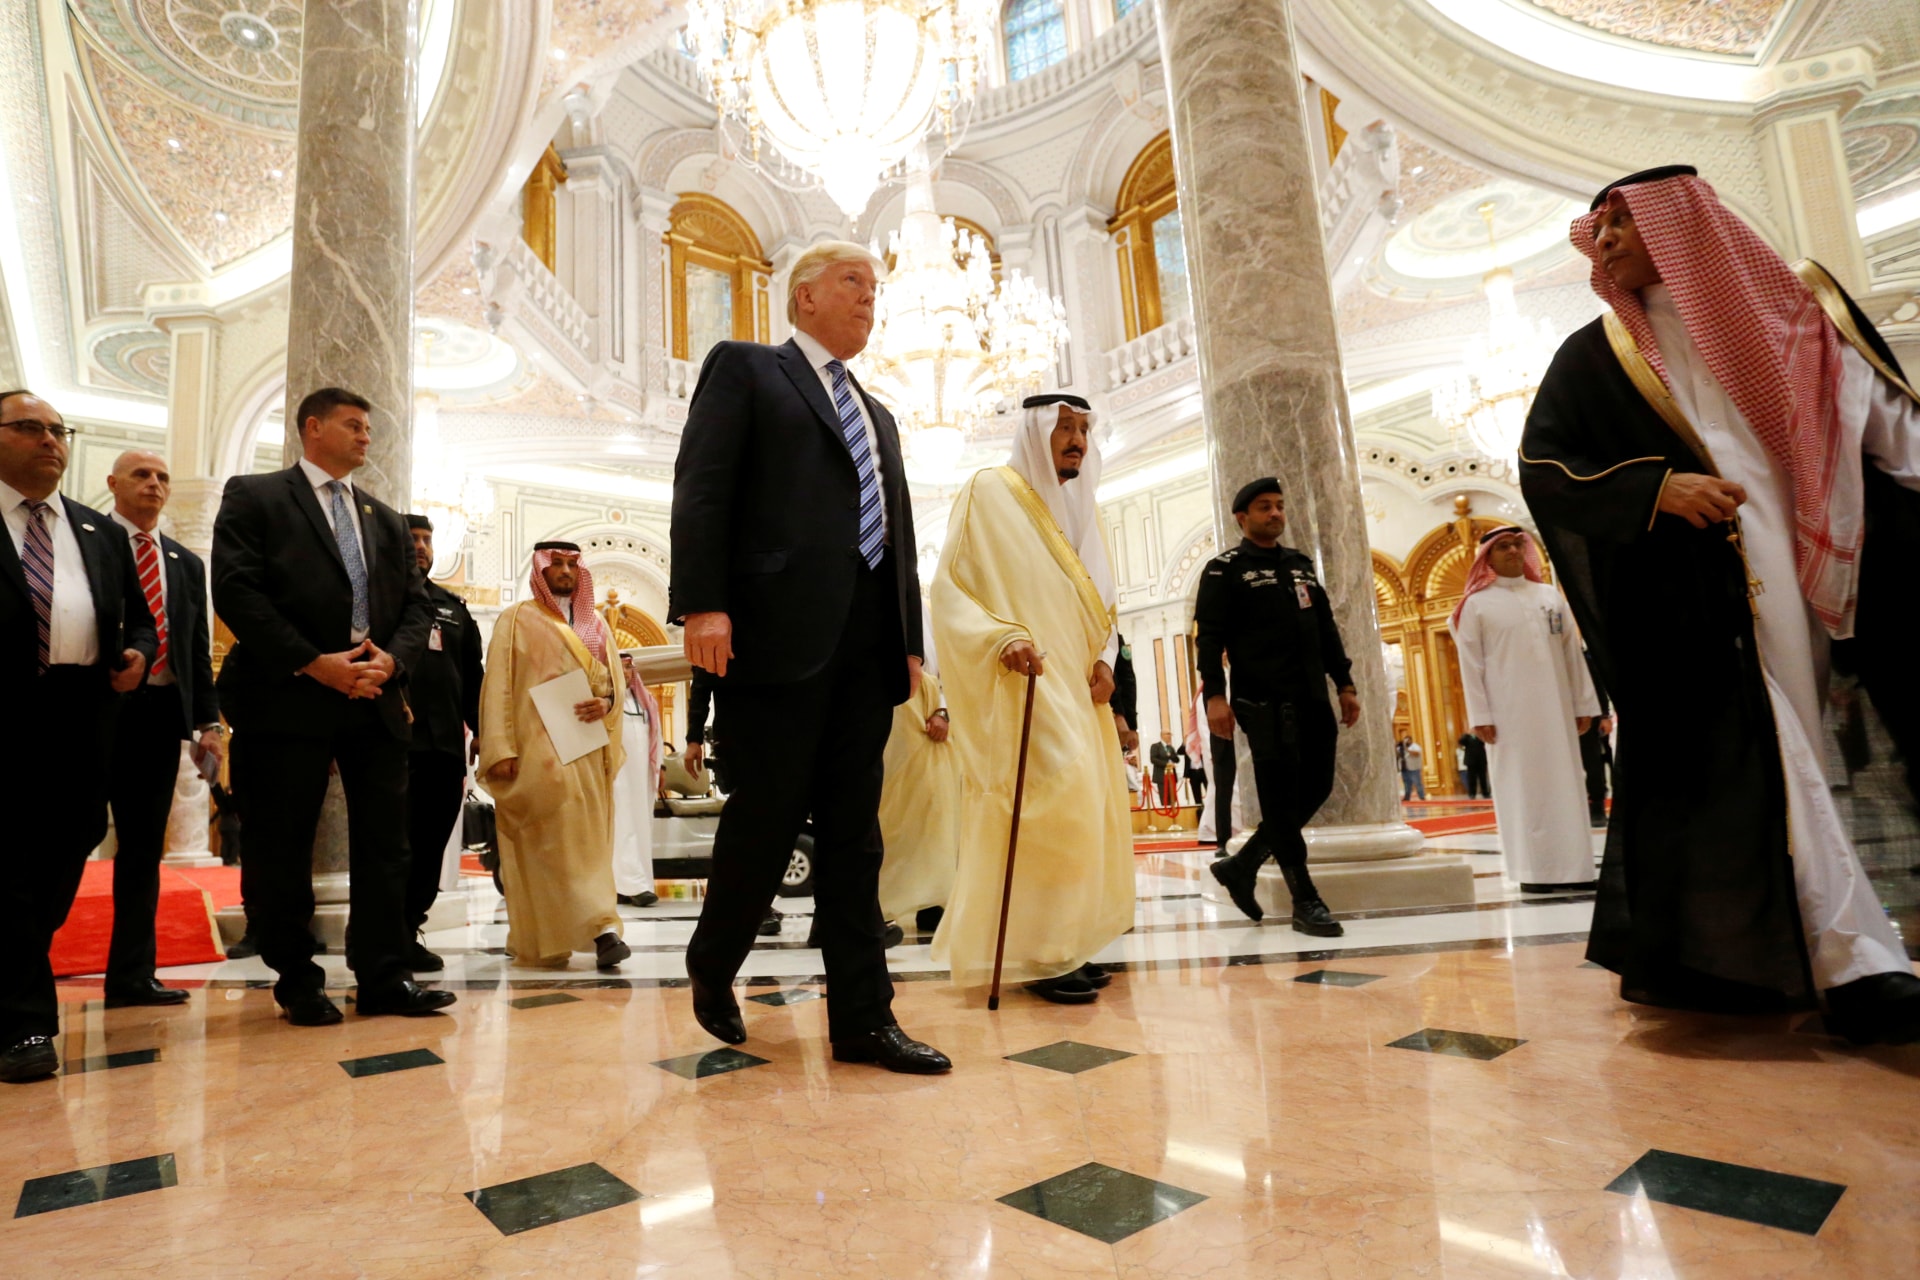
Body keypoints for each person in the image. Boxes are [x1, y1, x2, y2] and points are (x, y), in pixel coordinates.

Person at [1519, 164, 1920, 1044]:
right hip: (1701, 605)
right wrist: (1654, 490)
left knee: (1817, 757)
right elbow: (1545, 468)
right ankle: (1857, 964)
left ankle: (1772, 954)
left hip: (1830, 578)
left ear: (1686, 227)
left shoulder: (1794, 322)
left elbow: (1887, 431)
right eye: (1600, 226)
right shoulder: (1594, 357)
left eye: (1623, 220)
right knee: (1780, 756)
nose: (1606, 238)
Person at [671, 239, 948, 1073]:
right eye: (853, 282)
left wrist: (908, 644)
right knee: (763, 821)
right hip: (772, 637)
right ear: (803, 299)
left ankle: (864, 1019)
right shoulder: (749, 369)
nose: (871, 297)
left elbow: (896, 539)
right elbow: (704, 485)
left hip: (866, 652)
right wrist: (702, 603)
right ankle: (713, 960)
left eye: (876, 286)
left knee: (857, 840)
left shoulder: (881, 413)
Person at [211, 387, 453, 1027]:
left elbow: (416, 605)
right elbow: (237, 591)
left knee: (385, 847)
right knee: (282, 843)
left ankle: (383, 977)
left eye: (369, 427)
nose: (366, 436)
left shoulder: (385, 518)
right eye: (353, 425)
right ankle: (297, 979)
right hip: (287, 696)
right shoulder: (256, 495)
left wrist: (392, 662)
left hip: (372, 699)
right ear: (312, 428)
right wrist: (313, 662)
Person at [931, 393, 1133, 1004]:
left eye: (1082, 430)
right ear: (1034, 433)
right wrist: (1003, 637)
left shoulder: (1081, 509)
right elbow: (952, 588)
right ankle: (1041, 953)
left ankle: (1066, 943)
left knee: (1088, 807)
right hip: (1025, 679)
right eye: (1063, 429)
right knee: (1055, 802)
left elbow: (1104, 602)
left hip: (1079, 683)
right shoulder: (990, 492)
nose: (1076, 440)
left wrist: (1106, 659)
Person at [0, 391, 156, 1082]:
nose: (49, 441)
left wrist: (139, 656)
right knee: (6, 869)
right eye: (29, 428)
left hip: (81, 712)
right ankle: (26, 1026)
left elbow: (144, 622)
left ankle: (13, 976)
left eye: (58, 430)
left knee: (66, 851)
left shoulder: (98, 532)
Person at [1196, 477, 1360, 935]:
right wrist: (1214, 696)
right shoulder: (1224, 570)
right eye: (1264, 507)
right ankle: (1305, 900)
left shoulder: (1300, 566)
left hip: (1312, 696)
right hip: (1262, 701)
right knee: (1280, 796)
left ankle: (1242, 864)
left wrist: (1344, 683)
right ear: (1242, 518)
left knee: (1318, 786)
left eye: (1280, 506)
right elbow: (1208, 640)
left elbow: (1326, 628)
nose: (1275, 514)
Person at [103, 449, 221, 1008]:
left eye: (163, 477)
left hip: (158, 714)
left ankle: (131, 974)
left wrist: (209, 722)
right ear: (113, 484)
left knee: (143, 849)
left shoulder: (183, 562)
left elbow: (196, 647)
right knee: (66, 837)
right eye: (141, 475)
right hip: (94, 711)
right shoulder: (92, 540)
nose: (154, 484)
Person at [477, 543, 631, 971]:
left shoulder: (596, 624)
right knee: (549, 843)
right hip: (537, 750)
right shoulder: (517, 619)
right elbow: (499, 687)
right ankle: (572, 933)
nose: (564, 571)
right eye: (556, 564)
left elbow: (613, 684)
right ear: (540, 571)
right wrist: (500, 748)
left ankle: (602, 928)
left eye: (571, 564)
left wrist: (607, 704)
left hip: (586, 749)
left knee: (586, 841)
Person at [1448, 526, 1601, 891]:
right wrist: (1480, 716)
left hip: (1559, 711)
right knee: (1523, 788)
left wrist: (1583, 704)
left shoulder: (1550, 596)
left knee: (1567, 783)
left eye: (1518, 544)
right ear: (1488, 557)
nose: (1514, 551)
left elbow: (1572, 655)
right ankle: (1534, 873)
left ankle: (1575, 869)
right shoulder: (1477, 605)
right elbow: (1471, 665)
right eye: (1504, 546)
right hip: (1508, 716)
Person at [400, 515, 483, 971]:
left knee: (431, 844)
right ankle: (382, 932)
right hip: (396, 745)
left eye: (427, 540)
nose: (421, 547)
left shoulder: (453, 608)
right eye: (412, 539)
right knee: (395, 845)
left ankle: (410, 927)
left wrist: (482, 729)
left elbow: (473, 676)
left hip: (446, 747)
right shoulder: (380, 601)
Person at [875, 631, 958, 931]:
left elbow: (948, 665)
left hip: (928, 703)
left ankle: (933, 901)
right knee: (890, 814)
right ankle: (881, 904)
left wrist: (943, 708)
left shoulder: (925, 606)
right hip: (887, 705)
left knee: (935, 807)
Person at [612, 651, 662, 909]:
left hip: (641, 776)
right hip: (617, 775)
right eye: (620, 667)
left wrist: (659, 768)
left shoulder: (645, 702)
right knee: (623, 825)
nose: (626, 672)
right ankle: (633, 885)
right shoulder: (607, 701)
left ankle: (636, 883)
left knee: (641, 826)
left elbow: (656, 736)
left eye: (629, 667)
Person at [1149, 729, 1180, 807]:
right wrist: (1166, 764)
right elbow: (1153, 759)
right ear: (1162, 735)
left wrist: (1172, 755)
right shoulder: (1156, 746)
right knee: (1165, 797)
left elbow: (1177, 759)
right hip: (1161, 776)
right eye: (1168, 734)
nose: (1170, 736)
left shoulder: (1170, 747)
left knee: (1172, 797)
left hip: (1172, 776)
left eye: (1170, 734)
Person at [1458, 731, 1492, 800]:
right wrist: (1467, 734)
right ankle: (1472, 794)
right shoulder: (1467, 738)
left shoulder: (1480, 737)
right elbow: (1461, 742)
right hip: (1471, 762)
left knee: (1483, 778)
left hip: (1481, 760)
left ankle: (1485, 793)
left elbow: (1485, 742)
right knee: (1471, 779)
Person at [1399, 735, 1426, 801]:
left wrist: (1407, 750)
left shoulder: (1415, 746)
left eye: (1407, 741)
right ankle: (1407, 797)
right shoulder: (1403, 748)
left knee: (1417, 783)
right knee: (1407, 784)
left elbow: (1416, 753)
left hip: (1414, 768)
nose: (1406, 742)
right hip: (1405, 769)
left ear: (1411, 740)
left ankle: (1422, 796)